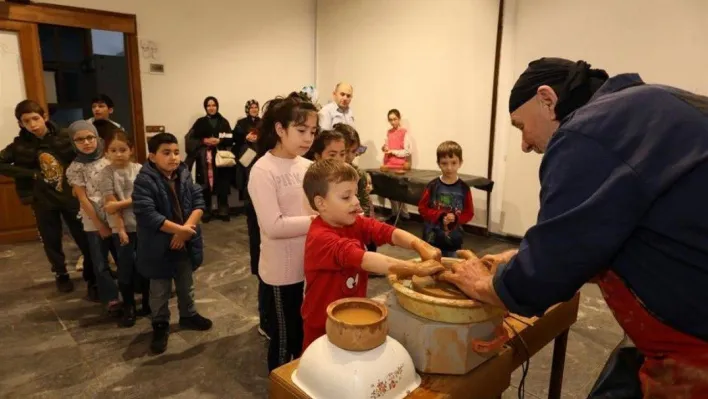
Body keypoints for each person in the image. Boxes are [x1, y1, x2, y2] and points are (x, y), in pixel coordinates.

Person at [439, 58, 708, 398]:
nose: (524, 144)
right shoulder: (646, 106)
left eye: (520, 126)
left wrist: (491, 286)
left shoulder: (588, 129)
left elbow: (542, 277)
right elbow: (597, 232)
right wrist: (524, 255)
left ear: (547, 100)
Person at [300, 159, 444, 351]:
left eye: (355, 194)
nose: (356, 202)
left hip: (353, 313)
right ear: (321, 203)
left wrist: (420, 245)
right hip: (322, 325)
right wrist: (415, 268)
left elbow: (386, 231)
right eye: (346, 197)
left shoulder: (353, 223)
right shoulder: (321, 237)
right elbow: (365, 260)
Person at [247, 92, 318, 372]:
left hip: (309, 264)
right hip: (281, 270)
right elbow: (273, 226)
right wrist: (317, 220)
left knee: (303, 332)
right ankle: (279, 385)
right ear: (280, 129)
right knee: (283, 336)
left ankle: (298, 382)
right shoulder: (263, 170)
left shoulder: (309, 166)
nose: (308, 138)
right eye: (301, 130)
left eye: (312, 131)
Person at [0, 100, 95, 295]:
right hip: (42, 198)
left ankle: (92, 273)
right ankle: (61, 274)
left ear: (44, 117)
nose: (33, 124)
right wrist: (30, 174)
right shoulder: (19, 146)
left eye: (35, 118)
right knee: (51, 238)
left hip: (69, 195)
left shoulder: (65, 136)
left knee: (83, 235)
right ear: (21, 123)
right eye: (26, 121)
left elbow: (83, 157)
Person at [133, 132, 212, 354]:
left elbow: (198, 202)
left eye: (176, 152)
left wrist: (186, 232)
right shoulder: (144, 180)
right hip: (158, 246)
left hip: (184, 242)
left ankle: (188, 314)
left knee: (186, 283)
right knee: (159, 289)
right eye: (166, 153)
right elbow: (147, 213)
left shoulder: (184, 174)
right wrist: (179, 231)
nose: (173, 158)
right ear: (152, 156)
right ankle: (160, 323)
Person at [65, 121, 120, 313]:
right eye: (80, 139)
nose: (86, 143)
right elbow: (82, 198)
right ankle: (111, 298)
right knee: (100, 262)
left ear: (97, 138)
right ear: (73, 142)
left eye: (90, 137)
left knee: (124, 256)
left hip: (116, 216)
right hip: (93, 221)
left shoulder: (109, 160)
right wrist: (99, 225)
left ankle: (132, 289)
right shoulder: (75, 168)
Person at [98, 129, 150, 327]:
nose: (118, 154)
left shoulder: (140, 169)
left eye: (122, 149)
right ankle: (128, 306)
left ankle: (147, 301)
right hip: (121, 228)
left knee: (145, 264)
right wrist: (120, 229)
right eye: (113, 150)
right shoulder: (106, 173)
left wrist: (118, 204)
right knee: (125, 267)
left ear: (131, 150)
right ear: (107, 152)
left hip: (144, 225)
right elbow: (109, 204)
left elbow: (142, 199)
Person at [418, 141, 474, 258]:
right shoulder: (432, 186)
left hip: (453, 241)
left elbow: (469, 213)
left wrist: (456, 218)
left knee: (450, 270)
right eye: (444, 163)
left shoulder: (464, 188)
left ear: (460, 163)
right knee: (430, 270)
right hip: (431, 240)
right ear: (438, 163)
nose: (449, 168)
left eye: (454, 163)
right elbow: (422, 209)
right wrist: (440, 215)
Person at [190, 96, 234, 222]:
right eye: (208, 105)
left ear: (217, 106)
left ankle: (223, 210)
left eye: (213, 105)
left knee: (223, 182)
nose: (211, 108)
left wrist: (219, 140)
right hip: (205, 158)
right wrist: (204, 140)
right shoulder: (200, 122)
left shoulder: (223, 122)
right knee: (205, 184)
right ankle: (206, 211)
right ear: (205, 107)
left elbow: (231, 138)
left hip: (221, 157)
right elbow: (191, 139)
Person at [233, 99, 261, 201]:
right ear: (247, 109)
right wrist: (245, 137)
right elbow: (234, 138)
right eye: (251, 107)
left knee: (259, 178)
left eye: (256, 107)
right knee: (247, 178)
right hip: (246, 155)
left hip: (260, 154)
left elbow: (268, 138)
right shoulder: (241, 123)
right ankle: (248, 204)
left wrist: (260, 138)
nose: (254, 109)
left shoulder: (263, 122)